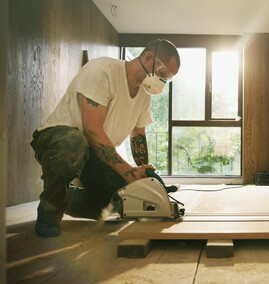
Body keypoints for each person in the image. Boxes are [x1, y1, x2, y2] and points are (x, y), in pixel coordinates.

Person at [30, 39, 180, 237]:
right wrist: (127, 171)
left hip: (94, 151)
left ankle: (63, 197)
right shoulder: (102, 71)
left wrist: (143, 178)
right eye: (161, 74)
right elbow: (92, 130)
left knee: (122, 199)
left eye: (166, 79)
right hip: (58, 140)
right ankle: (50, 210)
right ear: (148, 57)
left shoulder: (144, 95)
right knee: (74, 143)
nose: (161, 82)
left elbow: (138, 135)